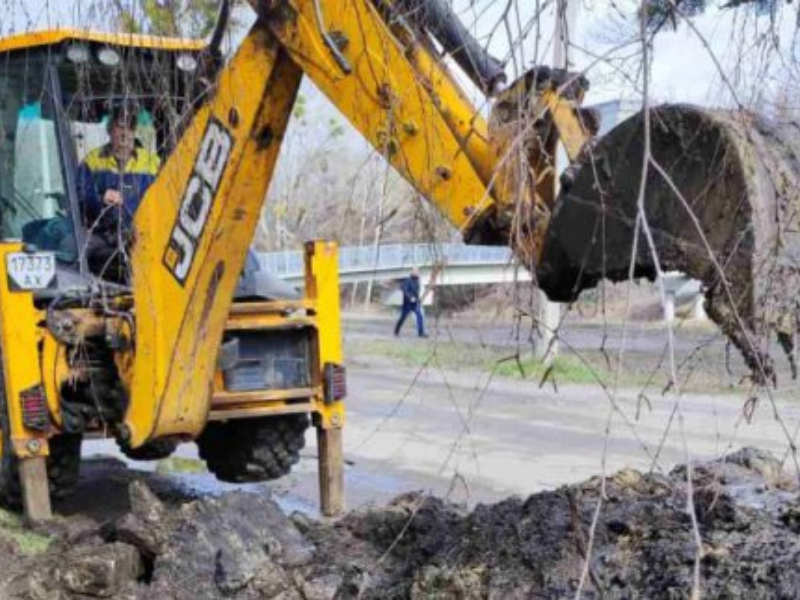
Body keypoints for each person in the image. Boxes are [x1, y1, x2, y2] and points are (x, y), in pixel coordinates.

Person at [77, 105, 160, 279]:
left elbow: (162, 202)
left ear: (134, 131)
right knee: (74, 250)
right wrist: (100, 199)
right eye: (119, 127)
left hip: (138, 233)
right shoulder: (93, 161)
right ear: (109, 130)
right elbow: (79, 196)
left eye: (129, 128)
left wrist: (131, 209)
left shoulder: (153, 164)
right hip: (101, 233)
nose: (124, 135)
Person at [394, 267, 428, 338]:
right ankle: (396, 331)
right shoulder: (408, 281)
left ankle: (421, 333)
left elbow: (416, 293)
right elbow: (404, 289)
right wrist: (410, 297)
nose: (417, 273)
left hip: (415, 304)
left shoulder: (417, 281)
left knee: (419, 316)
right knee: (402, 318)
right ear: (412, 272)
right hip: (407, 304)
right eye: (415, 271)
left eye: (418, 272)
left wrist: (418, 300)